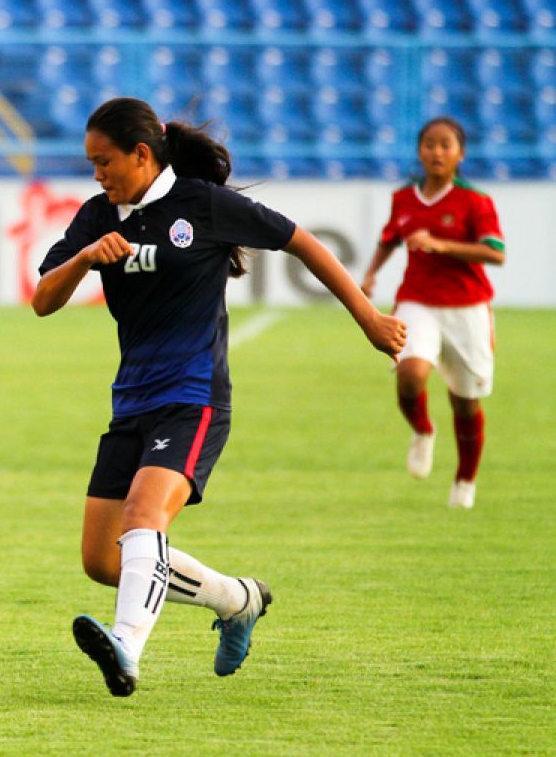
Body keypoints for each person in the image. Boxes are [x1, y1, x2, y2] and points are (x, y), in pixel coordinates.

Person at [31, 97, 406, 697]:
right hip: (130, 401)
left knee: (142, 519)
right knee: (104, 562)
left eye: (104, 161)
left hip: (193, 396)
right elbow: (42, 300)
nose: (96, 174)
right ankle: (238, 599)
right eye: (90, 164)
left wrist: (368, 319)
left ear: (142, 154)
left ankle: (126, 646)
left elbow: (300, 241)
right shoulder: (98, 215)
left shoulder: (202, 206)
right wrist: (83, 258)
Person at [360, 117, 505, 509]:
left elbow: (496, 252)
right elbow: (390, 237)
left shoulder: (475, 201)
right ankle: (423, 430)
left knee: (466, 402)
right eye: (429, 144)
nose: (436, 152)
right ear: (419, 151)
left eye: (445, 145)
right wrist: (371, 273)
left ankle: (465, 479)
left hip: (468, 309)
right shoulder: (404, 198)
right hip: (417, 301)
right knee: (409, 375)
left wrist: (442, 246)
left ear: (460, 154)